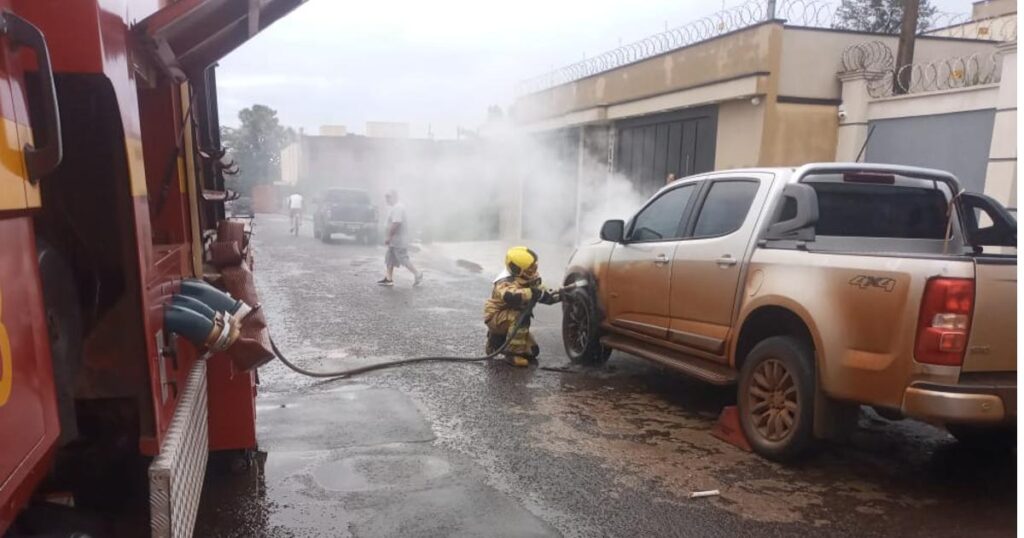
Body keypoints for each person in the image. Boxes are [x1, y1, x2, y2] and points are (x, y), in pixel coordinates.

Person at [483, 246, 560, 367]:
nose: (533, 272)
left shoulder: (527, 277)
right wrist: (533, 293)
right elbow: (511, 296)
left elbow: (540, 291)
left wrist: (556, 296)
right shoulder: (504, 282)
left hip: (512, 316)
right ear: (516, 269)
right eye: (529, 270)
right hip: (495, 316)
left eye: (534, 267)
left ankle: (496, 341)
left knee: (533, 352)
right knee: (521, 318)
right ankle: (512, 354)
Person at [377, 189, 423, 287]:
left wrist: (389, 237)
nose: (386, 200)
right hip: (395, 239)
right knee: (389, 257)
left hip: (399, 239)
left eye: (388, 198)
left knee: (403, 258)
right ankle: (388, 279)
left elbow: (396, 223)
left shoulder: (398, 208)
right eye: (386, 198)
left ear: (394, 197)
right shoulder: (395, 207)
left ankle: (417, 274)